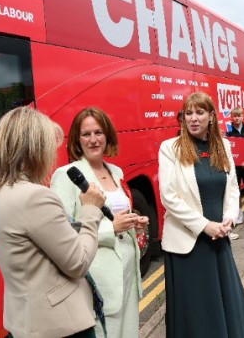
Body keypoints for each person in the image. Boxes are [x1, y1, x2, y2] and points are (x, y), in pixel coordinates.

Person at [0, 107, 106, 338]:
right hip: (61, 325)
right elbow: (78, 262)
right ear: (34, 150)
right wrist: (90, 210)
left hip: (25, 322)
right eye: (49, 147)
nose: (52, 156)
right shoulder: (35, 197)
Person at [158, 92, 244, 338]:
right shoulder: (169, 148)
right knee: (196, 310)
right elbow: (169, 197)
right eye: (188, 113)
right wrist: (205, 226)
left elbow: (232, 187)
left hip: (218, 237)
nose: (193, 119)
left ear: (211, 116)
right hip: (188, 241)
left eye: (200, 112)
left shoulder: (223, 145)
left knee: (224, 303)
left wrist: (229, 218)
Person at [50, 107, 148, 338]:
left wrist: (133, 222)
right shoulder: (66, 175)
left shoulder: (116, 171)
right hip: (98, 279)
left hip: (127, 275)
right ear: (77, 139)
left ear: (107, 136)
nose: (93, 140)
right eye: (86, 134)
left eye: (98, 132)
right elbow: (62, 231)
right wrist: (110, 229)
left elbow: (117, 215)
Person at [226, 106, 244, 226]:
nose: (236, 118)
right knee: (237, 190)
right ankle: (239, 213)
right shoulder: (228, 129)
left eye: (239, 115)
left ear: (242, 116)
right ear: (232, 117)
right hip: (234, 165)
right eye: (234, 116)